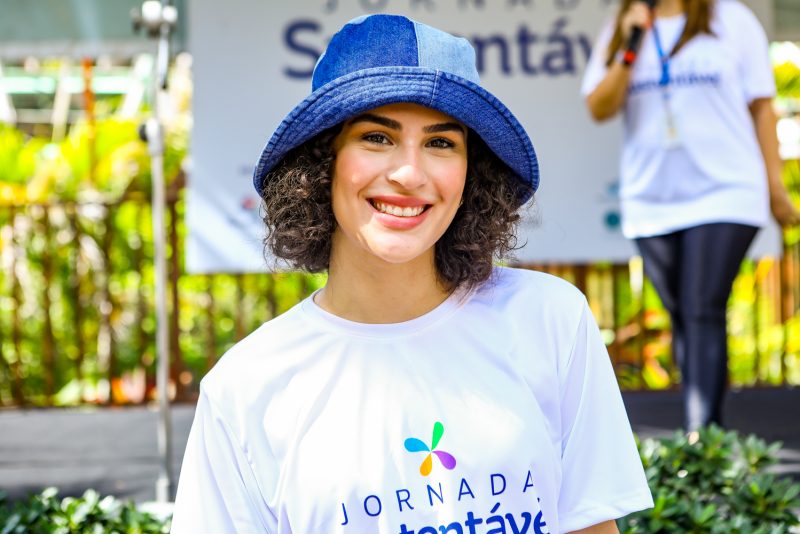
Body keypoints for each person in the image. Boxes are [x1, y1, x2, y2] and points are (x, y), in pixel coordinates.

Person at [172, 14, 653, 533]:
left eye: (441, 143)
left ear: (473, 173)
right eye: (377, 137)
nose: (409, 174)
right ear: (321, 162)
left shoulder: (550, 319)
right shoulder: (246, 388)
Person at [581, 0, 800, 432]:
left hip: (726, 190)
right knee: (683, 313)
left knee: (702, 307)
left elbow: (762, 108)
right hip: (653, 200)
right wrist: (630, 45)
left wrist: (775, 187)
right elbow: (600, 108)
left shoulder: (731, 20)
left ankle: (704, 434)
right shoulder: (624, 27)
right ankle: (706, 431)